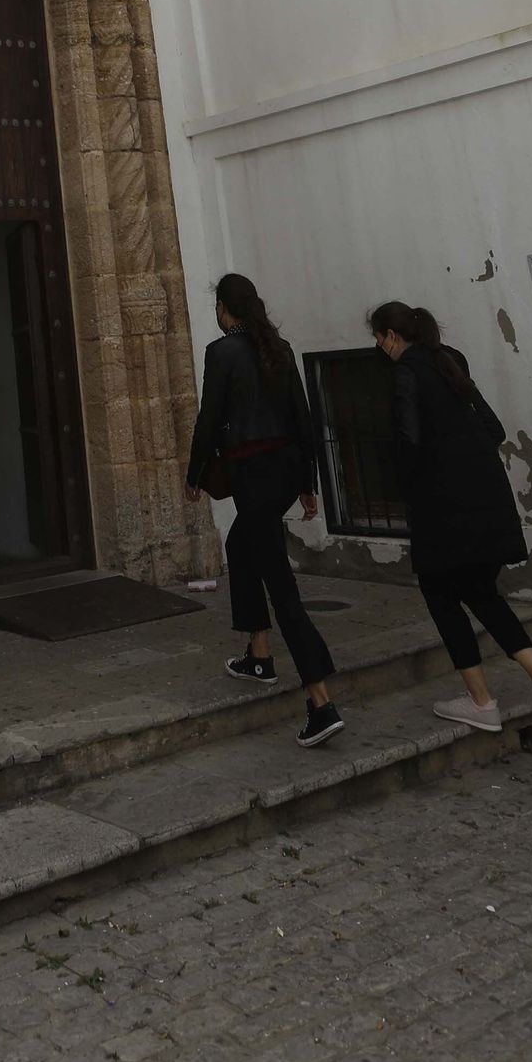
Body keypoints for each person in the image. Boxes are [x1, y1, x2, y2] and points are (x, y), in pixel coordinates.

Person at [369, 301, 532, 740]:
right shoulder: (450, 361)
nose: (380, 349)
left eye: (379, 340)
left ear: (390, 335)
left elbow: (408, 444)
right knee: (481, 593)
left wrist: (407, 489)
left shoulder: (406, 372)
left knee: (439, 593)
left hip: (444, 510)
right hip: (489, 501)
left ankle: (481, 702)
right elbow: (494, 428)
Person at [185, 273, 343, 747]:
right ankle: (258, 653)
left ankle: (320, 700)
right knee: (241, 545)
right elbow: (302, 414)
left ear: (224, 310)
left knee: (283, 588)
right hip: (283, 472)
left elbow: (209, 417)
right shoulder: (280, 347)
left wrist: (194, 473)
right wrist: (308, 483)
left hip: (253, 475)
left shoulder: (223, 352)